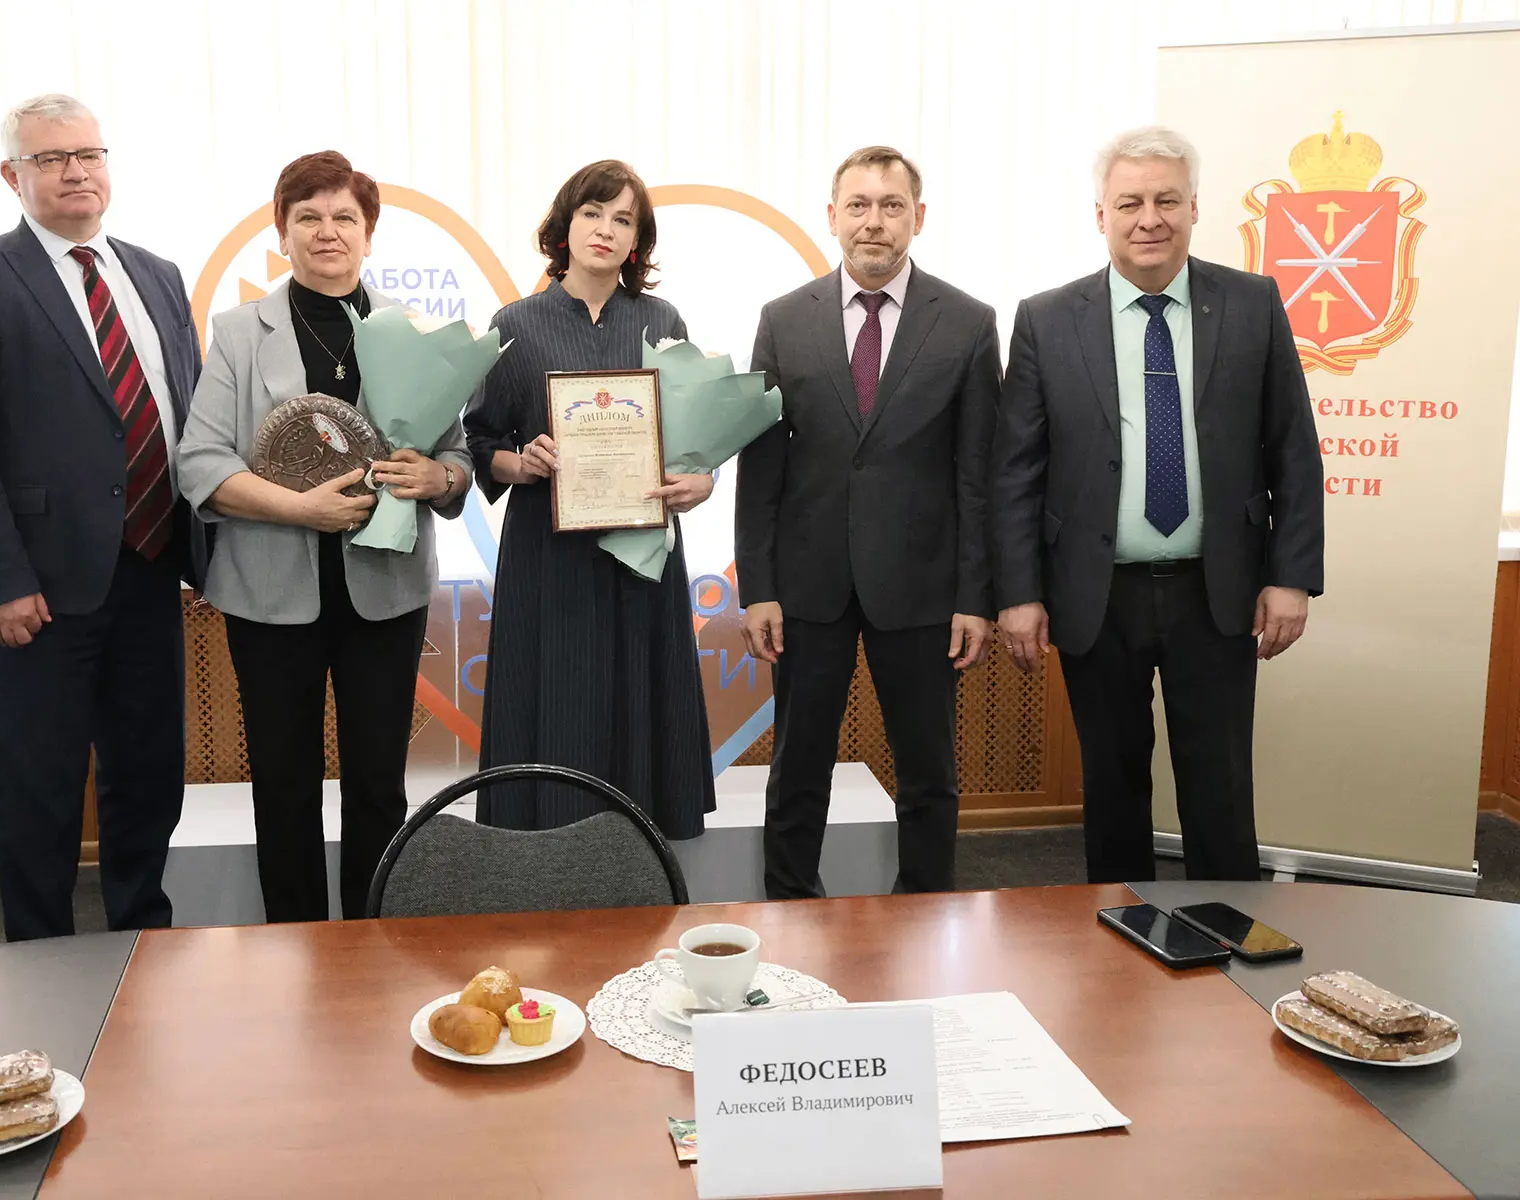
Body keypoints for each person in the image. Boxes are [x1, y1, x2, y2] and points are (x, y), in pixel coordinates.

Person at [990, 126, 1324, 883]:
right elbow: (1016, 471)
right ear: (1100, 215)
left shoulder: (1252, 303)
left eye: (1167, 200)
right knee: (1111, 786)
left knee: (1220, 788)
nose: (1149, 219)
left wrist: (1292, 576)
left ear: (1194, 208)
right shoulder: (1046, 319)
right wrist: (1017, 592)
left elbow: (1294, 449)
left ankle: (1227, 937)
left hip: (1219, 588)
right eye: (1130, 203)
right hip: (1094, 592)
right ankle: (1119, 933)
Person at [0, 94, 204, 941]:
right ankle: (37, 965)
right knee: (40, 791)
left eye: (90, 154)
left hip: (151, 568)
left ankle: (141, 944)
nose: (77, 171)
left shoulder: (155, 274)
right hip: (37, 590)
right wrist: (2, 581)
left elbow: (183, 415)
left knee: (149, 778)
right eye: (52, 158)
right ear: (13, 176)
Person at [177, 152, 471, 922]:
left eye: (345, 216)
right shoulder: (240, 334)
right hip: (270, 596)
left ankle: (372, 946)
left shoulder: (414, 333)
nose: (327, 231)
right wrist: (298, 509)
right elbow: (200, 461)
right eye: (307, 216)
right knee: (284, 785)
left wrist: (437, 476)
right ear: (282, 234)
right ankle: (294, 952)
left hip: (386, 595)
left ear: (369, 234)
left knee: (378, 784)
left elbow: (458, 458)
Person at [736, 146, 1002, 899]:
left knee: (928, 774)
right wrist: (758, 587)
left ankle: (924, 917)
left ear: (918, 217)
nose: (874, 221)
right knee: (797, 769)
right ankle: (792, 913)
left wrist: (976, 596)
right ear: (832, 216)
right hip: (806, 585)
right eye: (858, 205)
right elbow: (762, 466)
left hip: (924, 588)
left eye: (891, 206)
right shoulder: (784, 319)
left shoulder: (969, 323)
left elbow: (978, 476)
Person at [464, 160, 717, 838]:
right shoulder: (515, 323)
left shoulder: (662, 320)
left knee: (642, 704)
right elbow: (479, 440)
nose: (605, 229)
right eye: (592, 213)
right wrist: (522, 462)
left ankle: (639, 869)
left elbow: (694, 438)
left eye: (623, 219)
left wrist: (703, 482)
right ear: (564, 226)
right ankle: (550, 864)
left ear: (637, 241)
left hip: (643, 556)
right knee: (556, 705)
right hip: (549, 558)